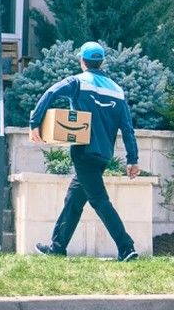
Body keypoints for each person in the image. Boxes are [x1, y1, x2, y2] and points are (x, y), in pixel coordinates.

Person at [30, 41, 141, 261]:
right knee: (74, 199)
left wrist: (34, 121)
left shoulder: (78, 82)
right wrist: (132, 159)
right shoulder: (117, 91)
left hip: (83, 152)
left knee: (99, 200)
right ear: (101, 63)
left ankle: (126, 247)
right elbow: (127, 129)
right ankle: (57, 246)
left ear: (82, 61)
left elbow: (51, 92)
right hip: (103, 155)